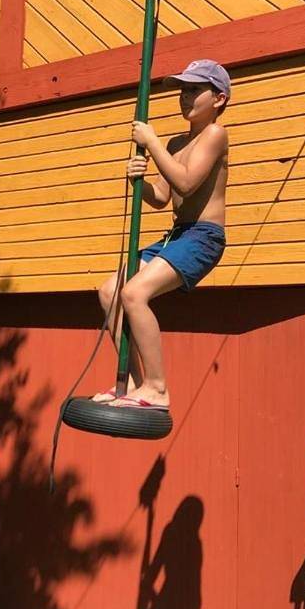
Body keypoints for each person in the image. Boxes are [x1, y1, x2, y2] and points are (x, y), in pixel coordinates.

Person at [93, 59, 231, 411]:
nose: (185, 97)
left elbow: (186, 181)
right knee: (110, 291)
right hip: (177, 234)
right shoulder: (173, 143)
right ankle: (135, 383)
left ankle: (157, 387)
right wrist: (138, 182)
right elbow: (162, 197)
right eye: (183, 90)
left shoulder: (215, 134)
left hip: (203, 237)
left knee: (135, 293)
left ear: (218, 99)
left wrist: (150, 143)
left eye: (194, 90)